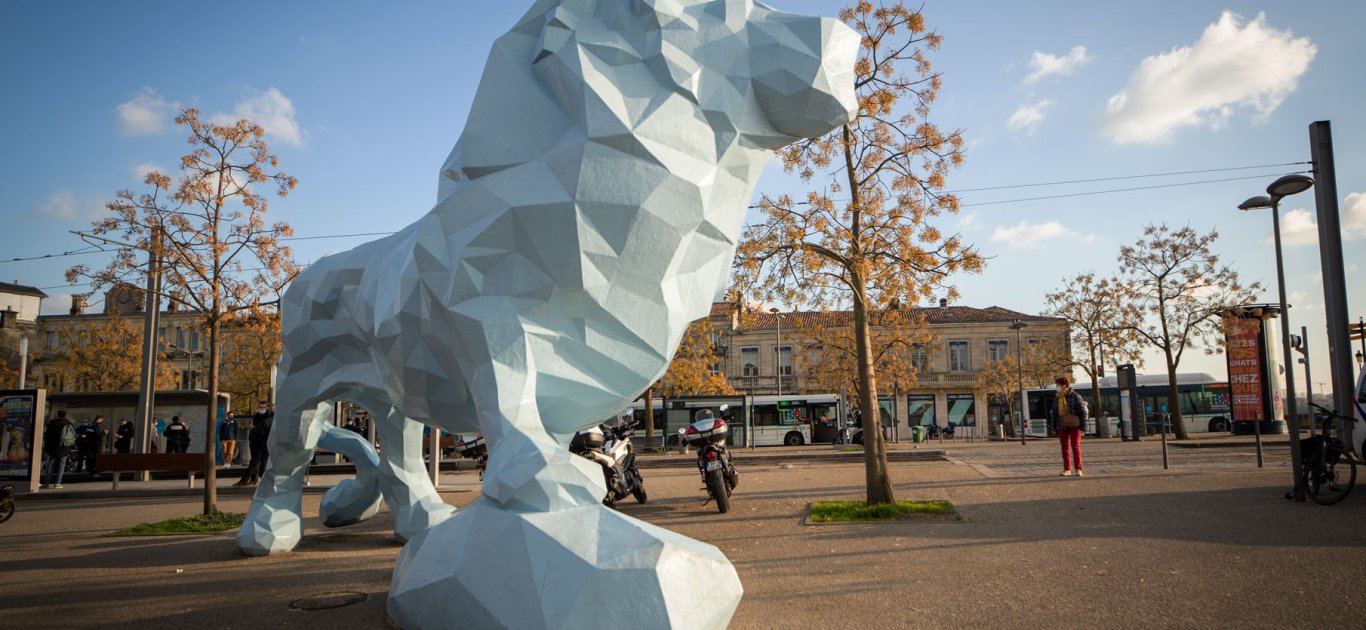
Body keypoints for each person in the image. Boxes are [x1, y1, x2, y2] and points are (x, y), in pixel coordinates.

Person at [1047, 376, 1088, 477]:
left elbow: (1082, 411)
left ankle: (1078, 469)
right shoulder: (1057, 397)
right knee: (1064, 448)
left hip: (1075, 426)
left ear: (1064, 385)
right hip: (1061, 425)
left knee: (1075, 446)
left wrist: (1083, 426)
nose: (1057, 387)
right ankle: (1067, 469)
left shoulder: (1075, 396)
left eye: (1058, 385)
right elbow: (1054, 413)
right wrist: (1052, 427)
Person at [235, 401, 273, 487]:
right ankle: (255, 479)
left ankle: (245, 480)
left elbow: (261, 430)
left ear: (267, 408)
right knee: (258, 463)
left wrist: (253, 428)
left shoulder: (268, 418)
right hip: (255, 442)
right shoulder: (257, 416)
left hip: (262, 443)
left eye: (263, 407)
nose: (261, 409)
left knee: (255, 462)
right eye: (260, 407)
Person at [42, 410, 75, 489]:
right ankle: (57, 483)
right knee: (61, 465)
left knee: (50, 464)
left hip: (51, 447)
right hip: (63, 447)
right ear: (66, 415)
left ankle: (46, 483)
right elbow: (71, 435)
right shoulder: (67, 423)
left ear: (57, 415)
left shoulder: (50, 423)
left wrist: (46, 446)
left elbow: (45, 434)